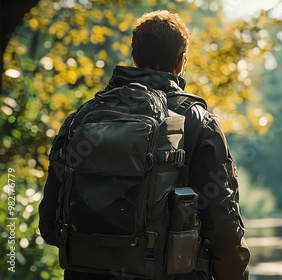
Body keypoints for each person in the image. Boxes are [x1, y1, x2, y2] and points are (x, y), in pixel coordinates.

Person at [38, 10, 250, 280]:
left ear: (134, 59)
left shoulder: (82, 117)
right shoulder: (198, 123)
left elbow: (49, 225)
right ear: (181, 63)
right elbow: (223, 224)